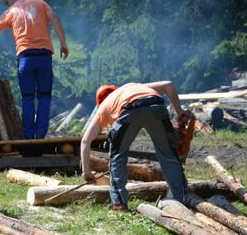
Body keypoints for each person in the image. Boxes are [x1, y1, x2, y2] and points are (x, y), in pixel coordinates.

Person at [80, 81, 192, 211]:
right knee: (168, 154)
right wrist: (180, 114)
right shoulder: (134, 86)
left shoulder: (104, 107)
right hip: (155, 103)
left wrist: (86, 171)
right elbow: (169, 85)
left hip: (130, 108)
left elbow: (85, 141)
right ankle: (182, 198)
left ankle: (119, 203)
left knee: (117, 155)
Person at [0, 0, 69, 139]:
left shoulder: (10, 12)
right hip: (44, 57)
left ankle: (28, 135)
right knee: (45, 96)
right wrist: (63, 44)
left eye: (7, 1)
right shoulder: (41, 3)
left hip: (26, 58)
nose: (8, 4)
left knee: (28, 97)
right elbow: (55, 20)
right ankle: (40, 135)